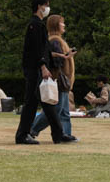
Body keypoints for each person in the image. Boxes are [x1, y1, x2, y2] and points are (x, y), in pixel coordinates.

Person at [14, 0, 67, 145]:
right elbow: (36, 50)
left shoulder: (37, 25)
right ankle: (23, 135)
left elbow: (43, 49)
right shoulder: (35, 25)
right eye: (46, 5)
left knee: (45, 103)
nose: (47, 8)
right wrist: (43, 66)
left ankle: (57, 134)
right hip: (35, 69)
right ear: (39, 6)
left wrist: (57, 56)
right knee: (33, 103)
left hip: (36, 68)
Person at [31, 15, 77, 143]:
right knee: (56, 110)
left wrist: (66, 55)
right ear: (57, 25)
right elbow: (55, 61)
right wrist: (66, 56)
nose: (64, 25)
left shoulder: (55, 40)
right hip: (59, 81)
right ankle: (32, 129)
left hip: (62, 82)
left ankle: (65, 134)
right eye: (62, 23)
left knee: (64, 112)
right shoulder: (55, 40)